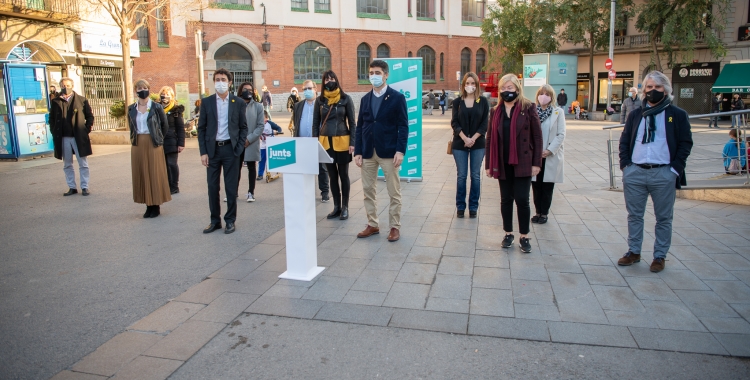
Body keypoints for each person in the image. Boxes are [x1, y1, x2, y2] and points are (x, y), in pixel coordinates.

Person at [618, 70, 693, 273]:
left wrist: (675, 169)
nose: (653, 91)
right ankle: (633, 252)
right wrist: (626, 165)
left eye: (657, 87)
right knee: (634, 215)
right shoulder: (636, 115)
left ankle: (659, 256)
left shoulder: (676, 115)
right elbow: (624, 141)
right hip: (635, 172)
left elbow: (686, 143)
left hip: (663, 173)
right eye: (649, 87)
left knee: (664, 218)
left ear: (666, 90)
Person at [485, 74, 543, 253]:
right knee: (505, 199)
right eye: (503, 88)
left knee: (522, 199)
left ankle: (524, 236)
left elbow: (537, 137)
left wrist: (536, 163)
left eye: (510, 88)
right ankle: (508, 233)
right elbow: (489, 139)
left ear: (517, 89)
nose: (506, 91)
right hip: (501, 161)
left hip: (523, 161)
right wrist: (488, 164)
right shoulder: (496, 111)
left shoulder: (529, 107)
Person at [354, 59, 408, 242]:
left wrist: (400, 151)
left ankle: (394, 227)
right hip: (368, 152)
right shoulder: (365, 99)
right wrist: (358, 151)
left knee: (394, 191)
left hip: (389, 151)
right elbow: (360, 126)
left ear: (386, 75)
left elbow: (403, 126)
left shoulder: (397, 98)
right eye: (371, 73)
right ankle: (373, 224)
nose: (374, 76)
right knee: (368, 190)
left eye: (377, 73)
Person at [198, 68, 248, 234]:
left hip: (230, 150)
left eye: (223, 79)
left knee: (230, 187)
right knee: (212, 186)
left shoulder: (238, 103)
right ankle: (215, 221)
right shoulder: (207, 102)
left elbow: (243, 128)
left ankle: (230, 220)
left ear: (230, 82)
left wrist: (239, 148)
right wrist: (203, 152)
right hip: (212, 151)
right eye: (217, 79)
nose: (220, 83)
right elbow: (202, 129)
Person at [312, 71, 356, 220]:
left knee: (343, 175)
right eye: (326, 79)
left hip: (342, 140)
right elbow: (315, 123)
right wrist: (314, 141)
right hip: (325, 142)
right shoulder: (320, 100)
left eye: (332, 78)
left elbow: (352, 123)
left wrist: (353, 143)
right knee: (332, 175)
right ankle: (336, 206)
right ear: (323, 82)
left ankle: (345, 207)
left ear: (336, 80)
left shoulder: (345, 99)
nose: (329, 81)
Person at [128, 79, 172, 218]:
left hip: (153, 142)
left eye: (144, 87)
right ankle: (148, 205)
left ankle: (156, 205)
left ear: (148, 89)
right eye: (139, 88)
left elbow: (164, 126)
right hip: (138, 143)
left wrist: (158, 138)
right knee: (142, 173)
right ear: (136, 91)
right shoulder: (131, 108)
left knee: (154, 173)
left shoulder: (156, 107)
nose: (142, 90)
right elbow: (131, 126)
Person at [451, 72, 489, 218]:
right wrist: (464, 138)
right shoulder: (457, 102)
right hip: (460, 144)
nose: (470, 86)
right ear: (463, 85)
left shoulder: (483, 102)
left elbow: (485, 123)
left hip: (478, 143)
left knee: (475, 175)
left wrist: (472, 138)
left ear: (477, 85)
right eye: (467, 83)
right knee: (461, 176)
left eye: (473, 83)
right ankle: (460, 206)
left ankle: (473, 207)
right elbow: (454, 122)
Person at [49, 77, 95, 196]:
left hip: (78, 136)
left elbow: (90, 117)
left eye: (68, 85)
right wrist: (54, 131)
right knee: (67, 164)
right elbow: (52, 118)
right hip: (63, 137)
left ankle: (85, 187)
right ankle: (72, 187)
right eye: (63, 85)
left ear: (72, 86)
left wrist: (85, 130)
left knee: (83, 163)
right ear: (60, 86)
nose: (66, 88)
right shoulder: (56, 102)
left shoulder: (81, 100)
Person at [531, 84, 566, 225]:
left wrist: (550, 150)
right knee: (536, 185)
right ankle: (537, 211)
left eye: (547, 94)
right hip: (535, 155)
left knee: (547, 186)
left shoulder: (558, 112)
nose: (543, 96)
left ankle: (544, 213)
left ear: (551, 97)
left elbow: (561, 134)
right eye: (541, 93)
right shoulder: (532, 111)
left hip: (549, 155)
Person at [293, 79, 330, 202]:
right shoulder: (298, 105)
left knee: (321, 167)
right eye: (305, 89)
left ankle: (324, 192)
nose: (307, 91)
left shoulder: (323, 104)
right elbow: (296, 122)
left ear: (315, 89)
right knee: (304, 167)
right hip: (302, 141)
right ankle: (305, 192)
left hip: (318, 140)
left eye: (309, 88)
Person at [239, 82, 264, 202]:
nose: (247, 91)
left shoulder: (258, 106)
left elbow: (260, 126)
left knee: (251, 167)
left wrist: (249, 139)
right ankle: (232, 193)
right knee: (235, 168)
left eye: (250, 90)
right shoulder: (235, 104)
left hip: (251, 141)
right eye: (245, 89)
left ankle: (251, 192)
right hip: (237, 141)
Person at [158, 86, 185, 194]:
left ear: (172, 96)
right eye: (163, 94)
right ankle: (167, 185)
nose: (165, 96)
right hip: (159, 141)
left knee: (172, 164)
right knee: (163, 165)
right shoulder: (156, 108)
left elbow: (180, 128)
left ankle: (174, 186)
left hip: (172, 141)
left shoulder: (176, 110)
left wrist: (181, 143)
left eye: (167, 94)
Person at [258, 110, 283, 181]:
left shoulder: (269, 124)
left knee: (273, 159)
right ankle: (260, 174)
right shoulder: (258, 125)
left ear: (266, 118)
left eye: (262, 118)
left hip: (271, 144)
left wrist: (278, 131)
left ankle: (277, 170)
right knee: (262, 160)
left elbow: (278, 128)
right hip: (263, 145)